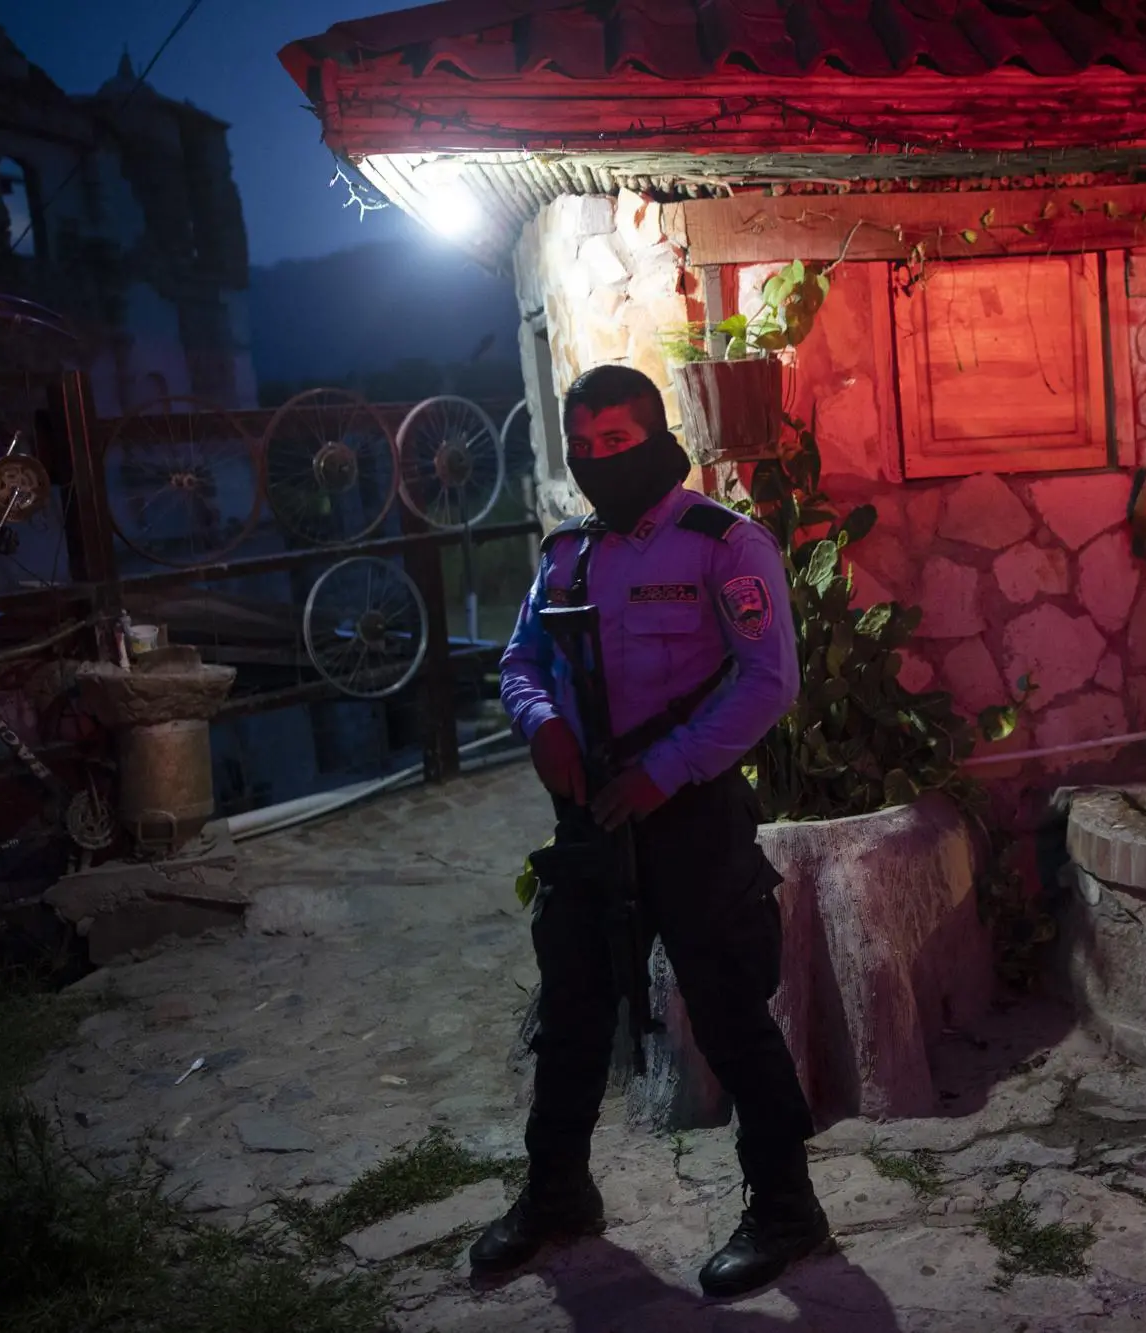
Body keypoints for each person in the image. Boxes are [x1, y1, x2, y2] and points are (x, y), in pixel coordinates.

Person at [473, 364, 828, 1297]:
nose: (597, 465)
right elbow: (521, 659)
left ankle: (787, 1209)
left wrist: (662, 772)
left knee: (728, 1011)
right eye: (582, 448)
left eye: (617, 446)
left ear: (659, 440)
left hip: (692, 815)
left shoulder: (724, 544)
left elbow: (768, 681)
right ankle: (557, 1194)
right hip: (592, 822)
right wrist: (540, 721)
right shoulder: (566, 555)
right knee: (573, 1013)